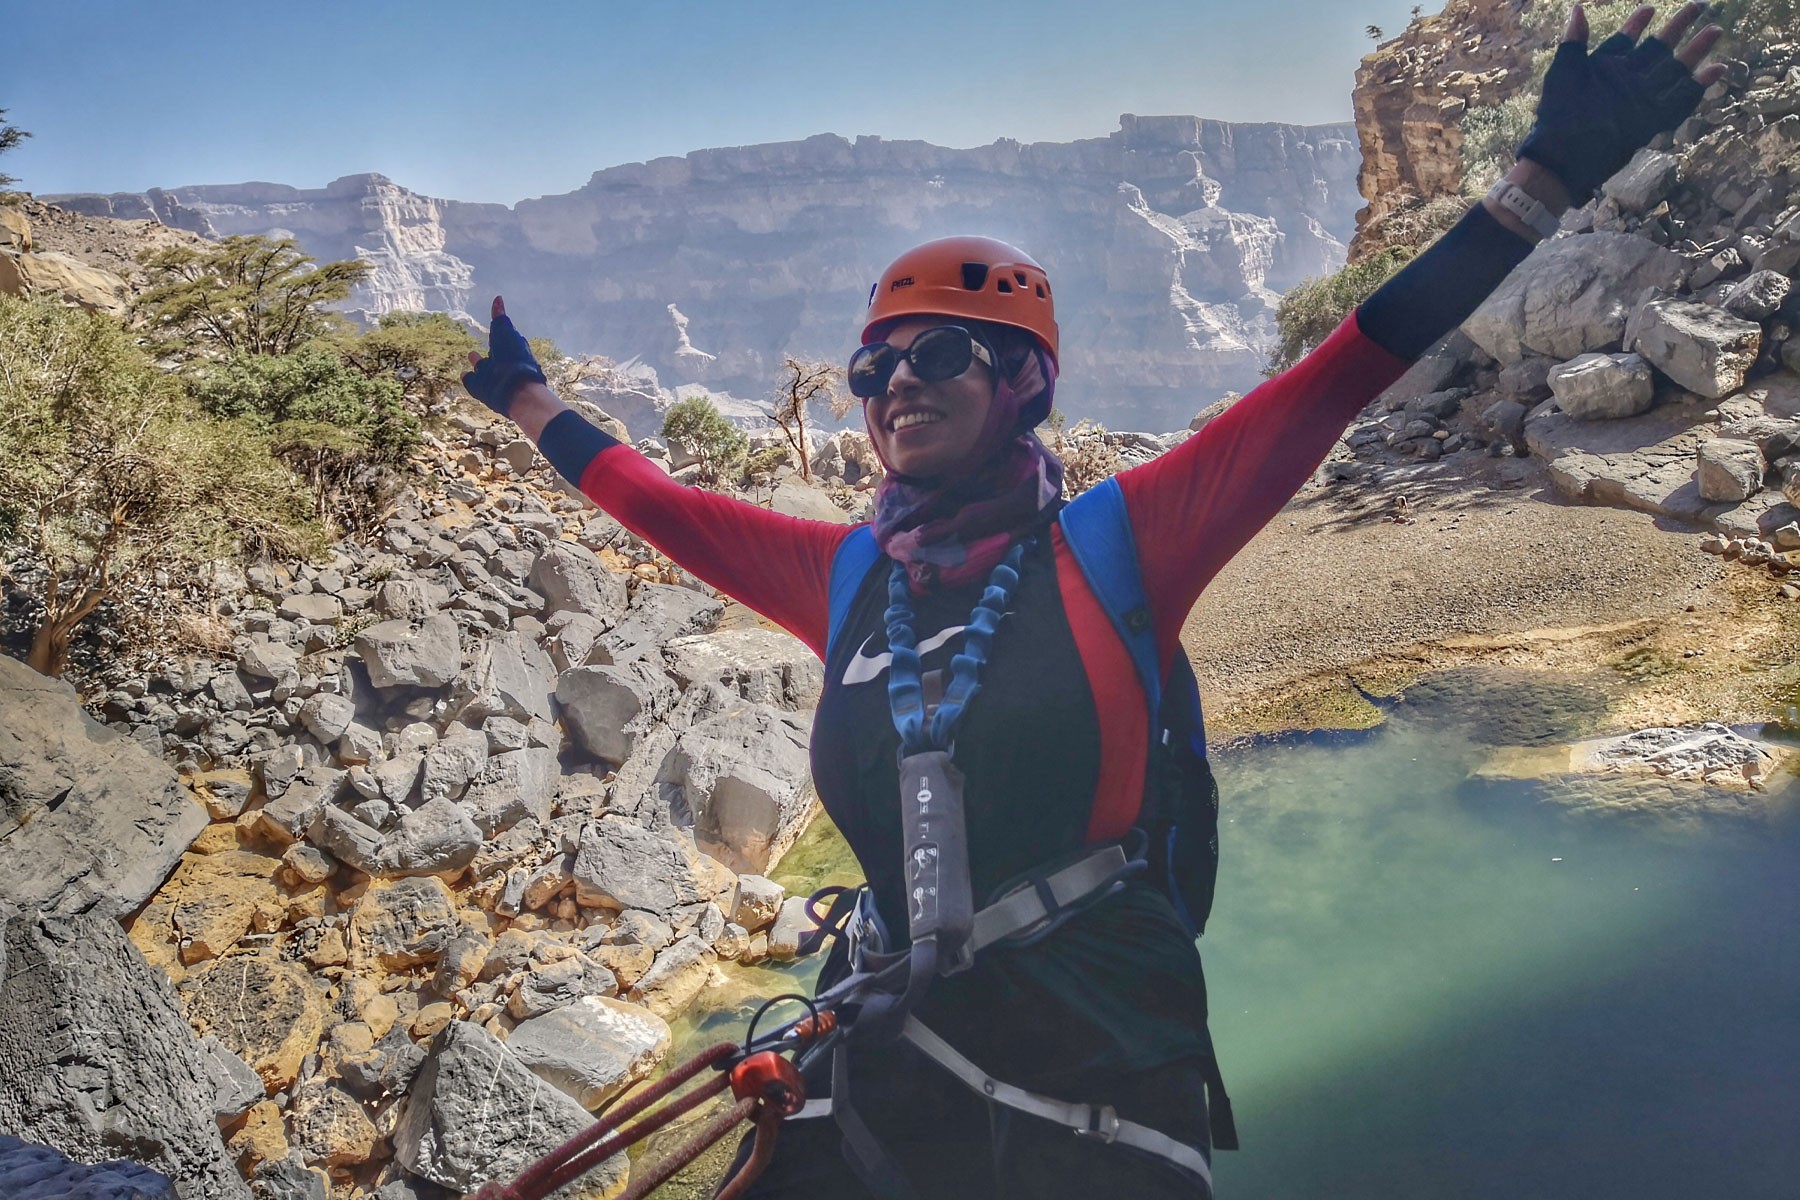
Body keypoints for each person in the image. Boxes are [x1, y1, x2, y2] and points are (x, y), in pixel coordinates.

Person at [462, 7, 1726, 1196]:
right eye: (873, 368)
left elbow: (1349, 369)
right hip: (891, 1033)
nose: (896, 385)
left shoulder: (1125, 541)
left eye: (939, 353)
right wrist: (527, 398)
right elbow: (658, 504)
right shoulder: (848, 578)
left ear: (1022, 382)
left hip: (1097, 1058)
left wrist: (1541, 182)